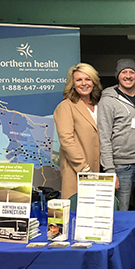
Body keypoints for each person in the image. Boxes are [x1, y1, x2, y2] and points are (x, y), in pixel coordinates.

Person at [97, 58, 135, 213]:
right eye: (124, 72)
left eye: (132, 72)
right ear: (117, 75)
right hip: (122, 167)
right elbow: (104, 137)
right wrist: (110, 170)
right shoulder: (107, 100)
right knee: (121, 212)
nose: (128, 76)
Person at [53, 63, 103, 199]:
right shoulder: (66, 107)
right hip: (77, 170)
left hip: (99, 169)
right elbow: (66, 141)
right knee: (76, 213)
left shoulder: (99, 105)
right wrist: (83, 169)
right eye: (79, 80)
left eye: (88, 79)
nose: (84, 83)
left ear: (94, 82)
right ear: (72, 84)